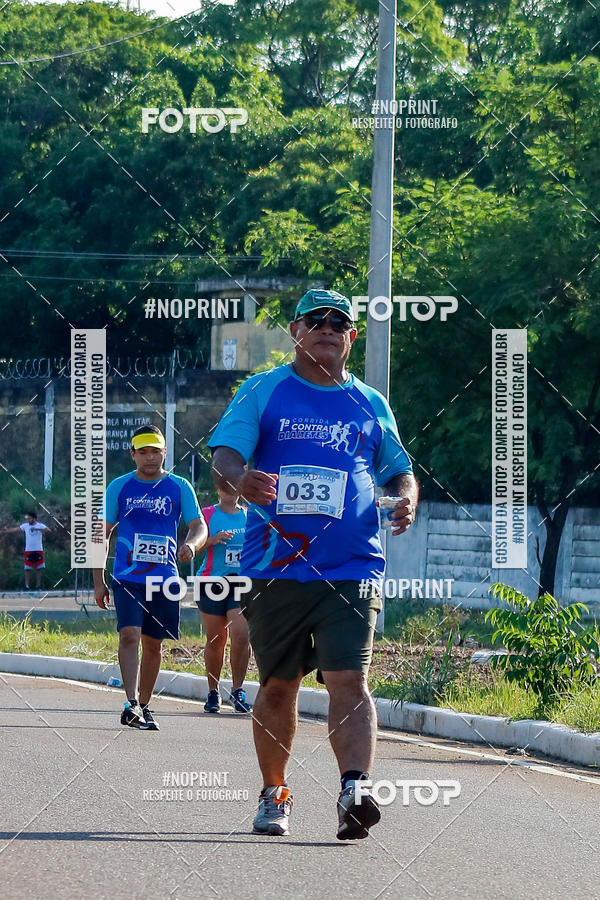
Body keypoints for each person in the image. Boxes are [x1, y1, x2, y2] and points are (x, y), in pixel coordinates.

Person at [209, 288, 419, 840]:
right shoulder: (264, 389)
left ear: (351, 337)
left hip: (351, 565)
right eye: (315, 320)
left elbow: (398, 467)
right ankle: (275, 791)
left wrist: (407, 496)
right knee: (279, 686)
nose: (327, 327)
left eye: (339, 322)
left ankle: (355, 790)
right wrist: (240, 479)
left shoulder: (370, 402)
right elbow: (225, 456)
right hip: (276, 567)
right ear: (297, 332)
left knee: (350, 679)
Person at [93, 425, 207, 731]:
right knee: (129, 634)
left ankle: (144, 705)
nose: (150, 457)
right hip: (127, 577)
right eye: (143, 452)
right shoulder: (119, 487)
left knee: (154, 644)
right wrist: (99, 580)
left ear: (165, 452)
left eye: (155, 451)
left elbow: (199, 526)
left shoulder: (179, 486)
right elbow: (101, 535)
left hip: (165, 577)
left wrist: (191, 545)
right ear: (132, 454)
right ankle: (130, 703)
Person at [195, 487, 251, 714]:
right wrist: (212, 540)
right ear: (217, 488)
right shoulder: (207, 514)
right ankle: (213, 692)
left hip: (241, 582)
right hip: (211, 582)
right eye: (225, 486)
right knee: (217, 639)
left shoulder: (250, 514)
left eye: (235, 485)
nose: (230, 490)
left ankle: (238, 691)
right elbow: (193, 546)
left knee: (241, 634)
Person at [4, 512, 51, 590]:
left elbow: (48, 530)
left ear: (34, 518)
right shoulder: (25, 526)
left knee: (39, 568)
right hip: (28, 550)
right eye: (28, 519)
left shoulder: (40, 525)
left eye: (30, 518)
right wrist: (5, 531)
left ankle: (38, 586)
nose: (28, 520)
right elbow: (16, 529)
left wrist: (37, 529)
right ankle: (26, 586)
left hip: (38, 549)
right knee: (27, 569)